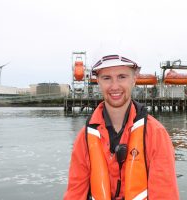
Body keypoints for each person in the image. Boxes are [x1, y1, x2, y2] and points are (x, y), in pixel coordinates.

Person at [64, 55, 179, 200]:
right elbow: (75, 193)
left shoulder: (156, 135)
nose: (114, 86)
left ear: (134, 78)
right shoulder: (84, 139)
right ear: (97, 80)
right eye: (107, 78)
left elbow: (165, 194)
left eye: (122, 77)